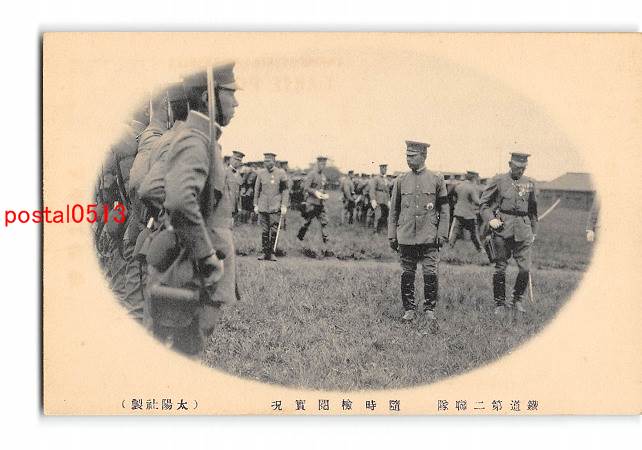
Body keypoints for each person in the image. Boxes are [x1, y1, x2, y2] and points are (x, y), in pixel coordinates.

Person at [144, 62, 240, 356]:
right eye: (231, 94)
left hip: (196, 270)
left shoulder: (202, 139)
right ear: (210, 97)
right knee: (181, 354)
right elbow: (179, 200)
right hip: (193, 272)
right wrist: (206, 255)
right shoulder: (195, 140)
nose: (236, 102)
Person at [388, 141, 450, 322]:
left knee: (430, 271)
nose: (408, 159)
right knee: (407, 272)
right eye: (407, 156)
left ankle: (429, 309)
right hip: (406, 234)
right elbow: (394, 211)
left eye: (412, 156)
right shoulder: (400, 180)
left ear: (424, 156)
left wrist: (442, 233)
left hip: (429, 234)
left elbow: (444, 209)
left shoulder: (436, 179)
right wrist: (392, 235)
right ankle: (409, 309)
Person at [479, 152, 538, 315]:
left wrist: (533, 231)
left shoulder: (530, 183)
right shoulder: (499, 180)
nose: (521, 170)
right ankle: (499, 303)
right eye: (517, 167)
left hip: (523, 231)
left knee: (525, 268)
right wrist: (491, 219)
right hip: (502, 229)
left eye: (523, 168)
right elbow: (484, 204)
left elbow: (533, 210)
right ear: (510, 164)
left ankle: (516, 300)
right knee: (500, 268)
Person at [253, 152, 290, 261]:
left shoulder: (281, 173)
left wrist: (284, 205)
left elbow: (285, 190)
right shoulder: (261, 173)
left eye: (268, 161)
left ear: (274, 161)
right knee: (264, 230)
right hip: (263, 206)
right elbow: (257, 190)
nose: (265, 163)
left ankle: (272, 253)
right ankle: (265, 253)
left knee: (274, 230)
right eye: (264, 161)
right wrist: (255, 204)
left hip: (275, 206)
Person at [297, 156, 330, 243]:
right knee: (306, 221)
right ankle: (299, 238)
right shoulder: (312, 174)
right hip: (311, 203)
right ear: (317, 163)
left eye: (324, 164)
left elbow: (323, 189)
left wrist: (325, 195)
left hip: (320, 203)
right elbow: (306, 187)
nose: (323, 166)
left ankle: (326, 241)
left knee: (324, 221)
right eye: (321, 164)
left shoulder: (323, 177)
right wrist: (315, 192)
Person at [448, 171, 482, 252]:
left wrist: (455, 204)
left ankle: (449, 248)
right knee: (474, 234)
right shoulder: (472, 188)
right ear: (473, 178)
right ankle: (480, 249)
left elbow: (451, 196)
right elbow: (477, 201)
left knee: (455, 232)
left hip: (458, 212)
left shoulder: (458, 186)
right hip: (469, 214)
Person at [369, 164, 391, 233]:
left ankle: (381, 229)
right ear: (381, 169)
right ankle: (375, 230)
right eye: (384, 168)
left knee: (385, 215)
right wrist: (373, 200)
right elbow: (372, 190)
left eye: (386, 169)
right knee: (378, 215)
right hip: (378, 199)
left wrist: (389, 200)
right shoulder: (376, 178)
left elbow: (387, 191)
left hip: (385, 200)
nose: (386, 170)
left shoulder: (386, 179)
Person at [226, 150, 245, 223]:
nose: (237, 162)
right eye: (235, 159)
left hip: (235, 205)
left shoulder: (238, 174)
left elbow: (239, 191)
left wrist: (239, 206)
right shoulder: (225, 172)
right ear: (231, 160)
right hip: (226, 205)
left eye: (239, 160)